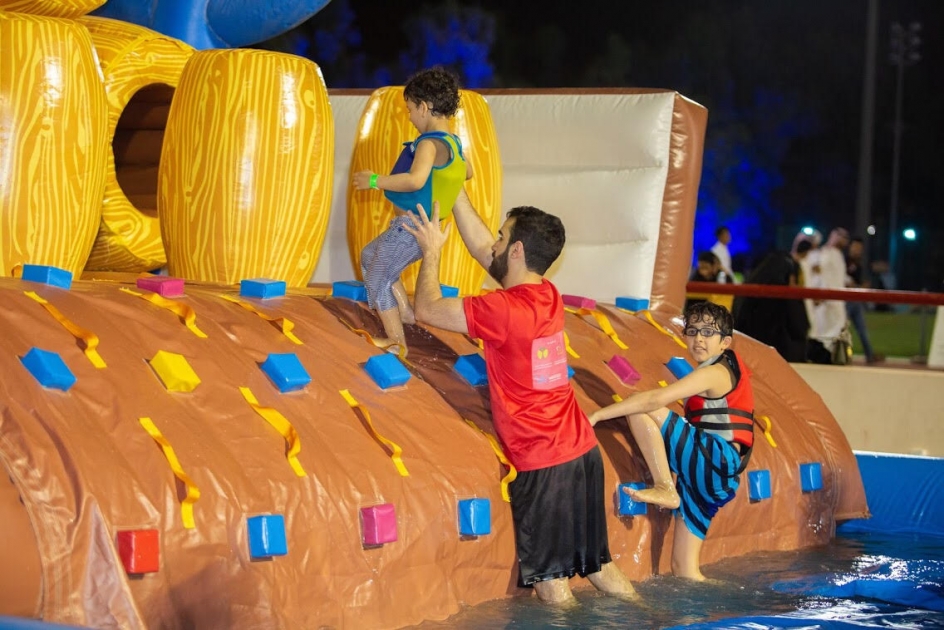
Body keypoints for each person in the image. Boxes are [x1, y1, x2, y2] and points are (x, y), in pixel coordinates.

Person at [402, 193, 637, 605]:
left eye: (501, 235)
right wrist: (456, 191)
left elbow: (427, 308)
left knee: (551, 584)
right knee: (600, 567)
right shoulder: (547, 293)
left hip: (542, 457)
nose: (493, 243)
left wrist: (431, 252)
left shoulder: (502, 310)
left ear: (516, 250)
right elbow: (485, 252)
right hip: (581, 450)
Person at [587, 302, 754, 581]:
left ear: (725, 342)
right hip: (716, 476)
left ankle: (664, 486)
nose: (699, 339)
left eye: (708, 332)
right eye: (693, 331)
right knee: (685, 571)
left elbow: (654, 400)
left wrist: (597, 415)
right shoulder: (724, 367)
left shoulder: (714, 373)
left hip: (713, 460)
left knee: (637, 405)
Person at [353, 67, 473, 354]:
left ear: (424, 107)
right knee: (369, 256)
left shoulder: (429, 144)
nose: (409, 117)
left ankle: (396, 341)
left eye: (410, 110)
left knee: (378, 277)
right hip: (420, 227)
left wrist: (374, 180)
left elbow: (415, 180)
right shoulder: (454, 144)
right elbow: (467, 172)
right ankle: (404, 312)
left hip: (411, 227)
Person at [733, 240, 812, 362]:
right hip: (781, 358)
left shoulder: (747, 292)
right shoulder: (783, 297)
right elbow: (800, 328)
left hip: (746, 355)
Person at [809, 228, 850, 363]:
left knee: (838, 329)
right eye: (841, 236)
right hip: (827, 300)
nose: (844, 240)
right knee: (825, 331)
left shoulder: (838, 254)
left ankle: (834, 357)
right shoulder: (825, 253)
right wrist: (820, 293)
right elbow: (819, 273)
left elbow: (838, 276)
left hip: (838, 299)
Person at [845, 237, 881, 364]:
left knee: (862, 330)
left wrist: (862, 285)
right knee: (842, 329)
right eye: (855, 247)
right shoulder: (844, 261)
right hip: (845, 300)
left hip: (856, 300)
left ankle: (869, 355)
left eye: (860, 248)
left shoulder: (860, 264)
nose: (857, 250)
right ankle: (841, 354)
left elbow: (862, 282)